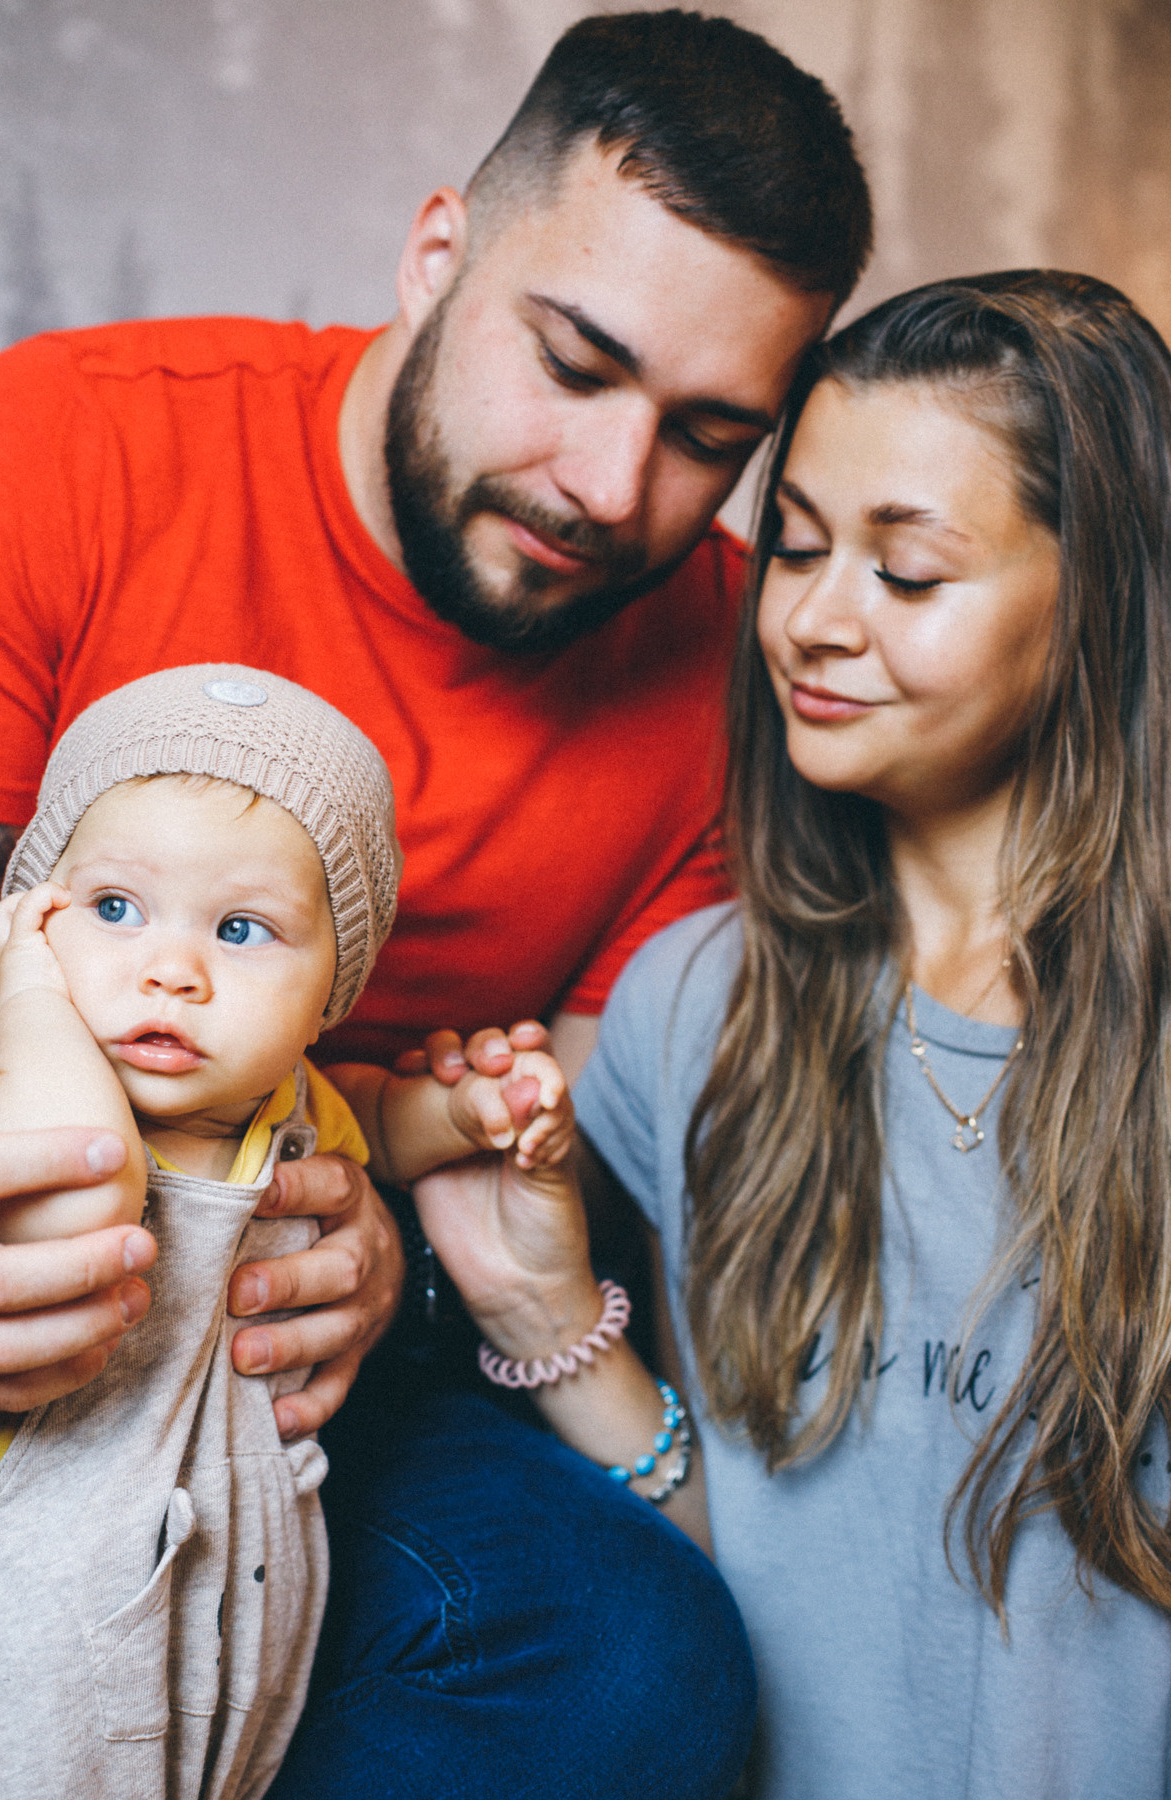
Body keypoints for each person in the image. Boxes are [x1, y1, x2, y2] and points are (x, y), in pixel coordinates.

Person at [0, 13, 869, 1796]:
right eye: (576, 365)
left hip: (309, 1364)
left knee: (636, 1664)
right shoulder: (61, 448)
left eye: (709, 437)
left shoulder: (720, 675)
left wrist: (403, 1268)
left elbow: (562, 1170)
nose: (615, 491)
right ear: (438, 251)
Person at [419, 270, 1171, 1798]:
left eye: (908, 575)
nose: (813, 621)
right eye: (799, 549)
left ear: (1099, 591)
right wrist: (544, 1313)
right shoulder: (693, 1008)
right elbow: (745, 1576)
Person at [0, 662, 573, 1800]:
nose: (171, 969)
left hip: (223, 1593)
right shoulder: (24, 1094)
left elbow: (378, 1132)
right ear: (36, 920)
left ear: (332, 988)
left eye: (241, 930)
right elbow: (76, 1202)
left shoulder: (292, 1106)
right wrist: (34, 993)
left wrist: (469, 1113)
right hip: (28, 1588)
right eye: (111, 910)